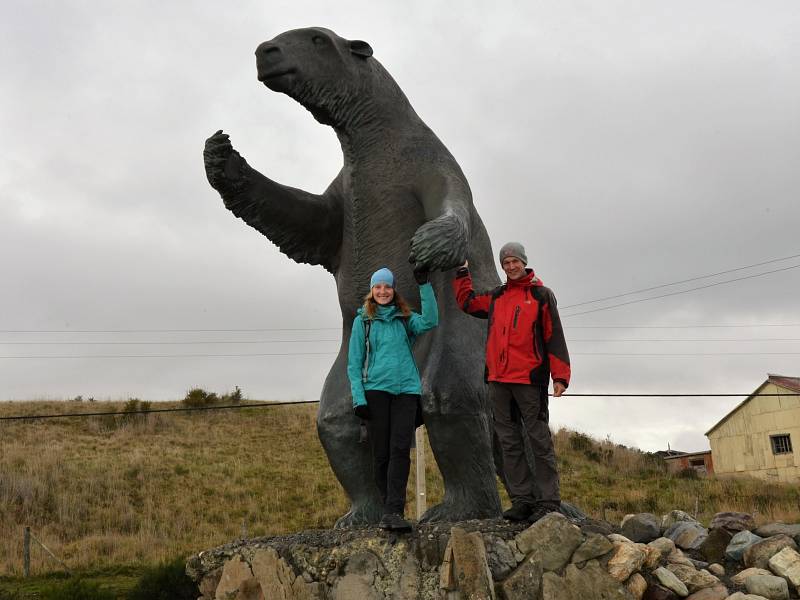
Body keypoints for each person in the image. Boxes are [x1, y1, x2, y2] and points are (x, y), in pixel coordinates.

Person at [453, 242, 570, 523]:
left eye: (514, 261)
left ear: (524, 262)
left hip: (529, 380)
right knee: (508, 443)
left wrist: (561, 376)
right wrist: (461, 272)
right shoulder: (497, 296)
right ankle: (522, 500)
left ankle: (549, 501)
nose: (510, 266)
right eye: (505, 263)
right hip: (498, 381)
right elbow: (467, 303)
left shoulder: (542, 295)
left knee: (539, 440)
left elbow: (554, 336)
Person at [347, 266, 438, 531]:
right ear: (372, 290)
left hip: (407, 391)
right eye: (378, 287)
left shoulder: (404, 317)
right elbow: (354, 363)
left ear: (393, 289)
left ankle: (394, 511)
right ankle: (388, 507)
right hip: (375, 391)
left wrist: (424, 286)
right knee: (382, 454)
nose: (383, 291)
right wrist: (358, 398)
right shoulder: (362, 321)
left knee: (400, 450)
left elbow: (431, 321)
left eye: (387, 287)